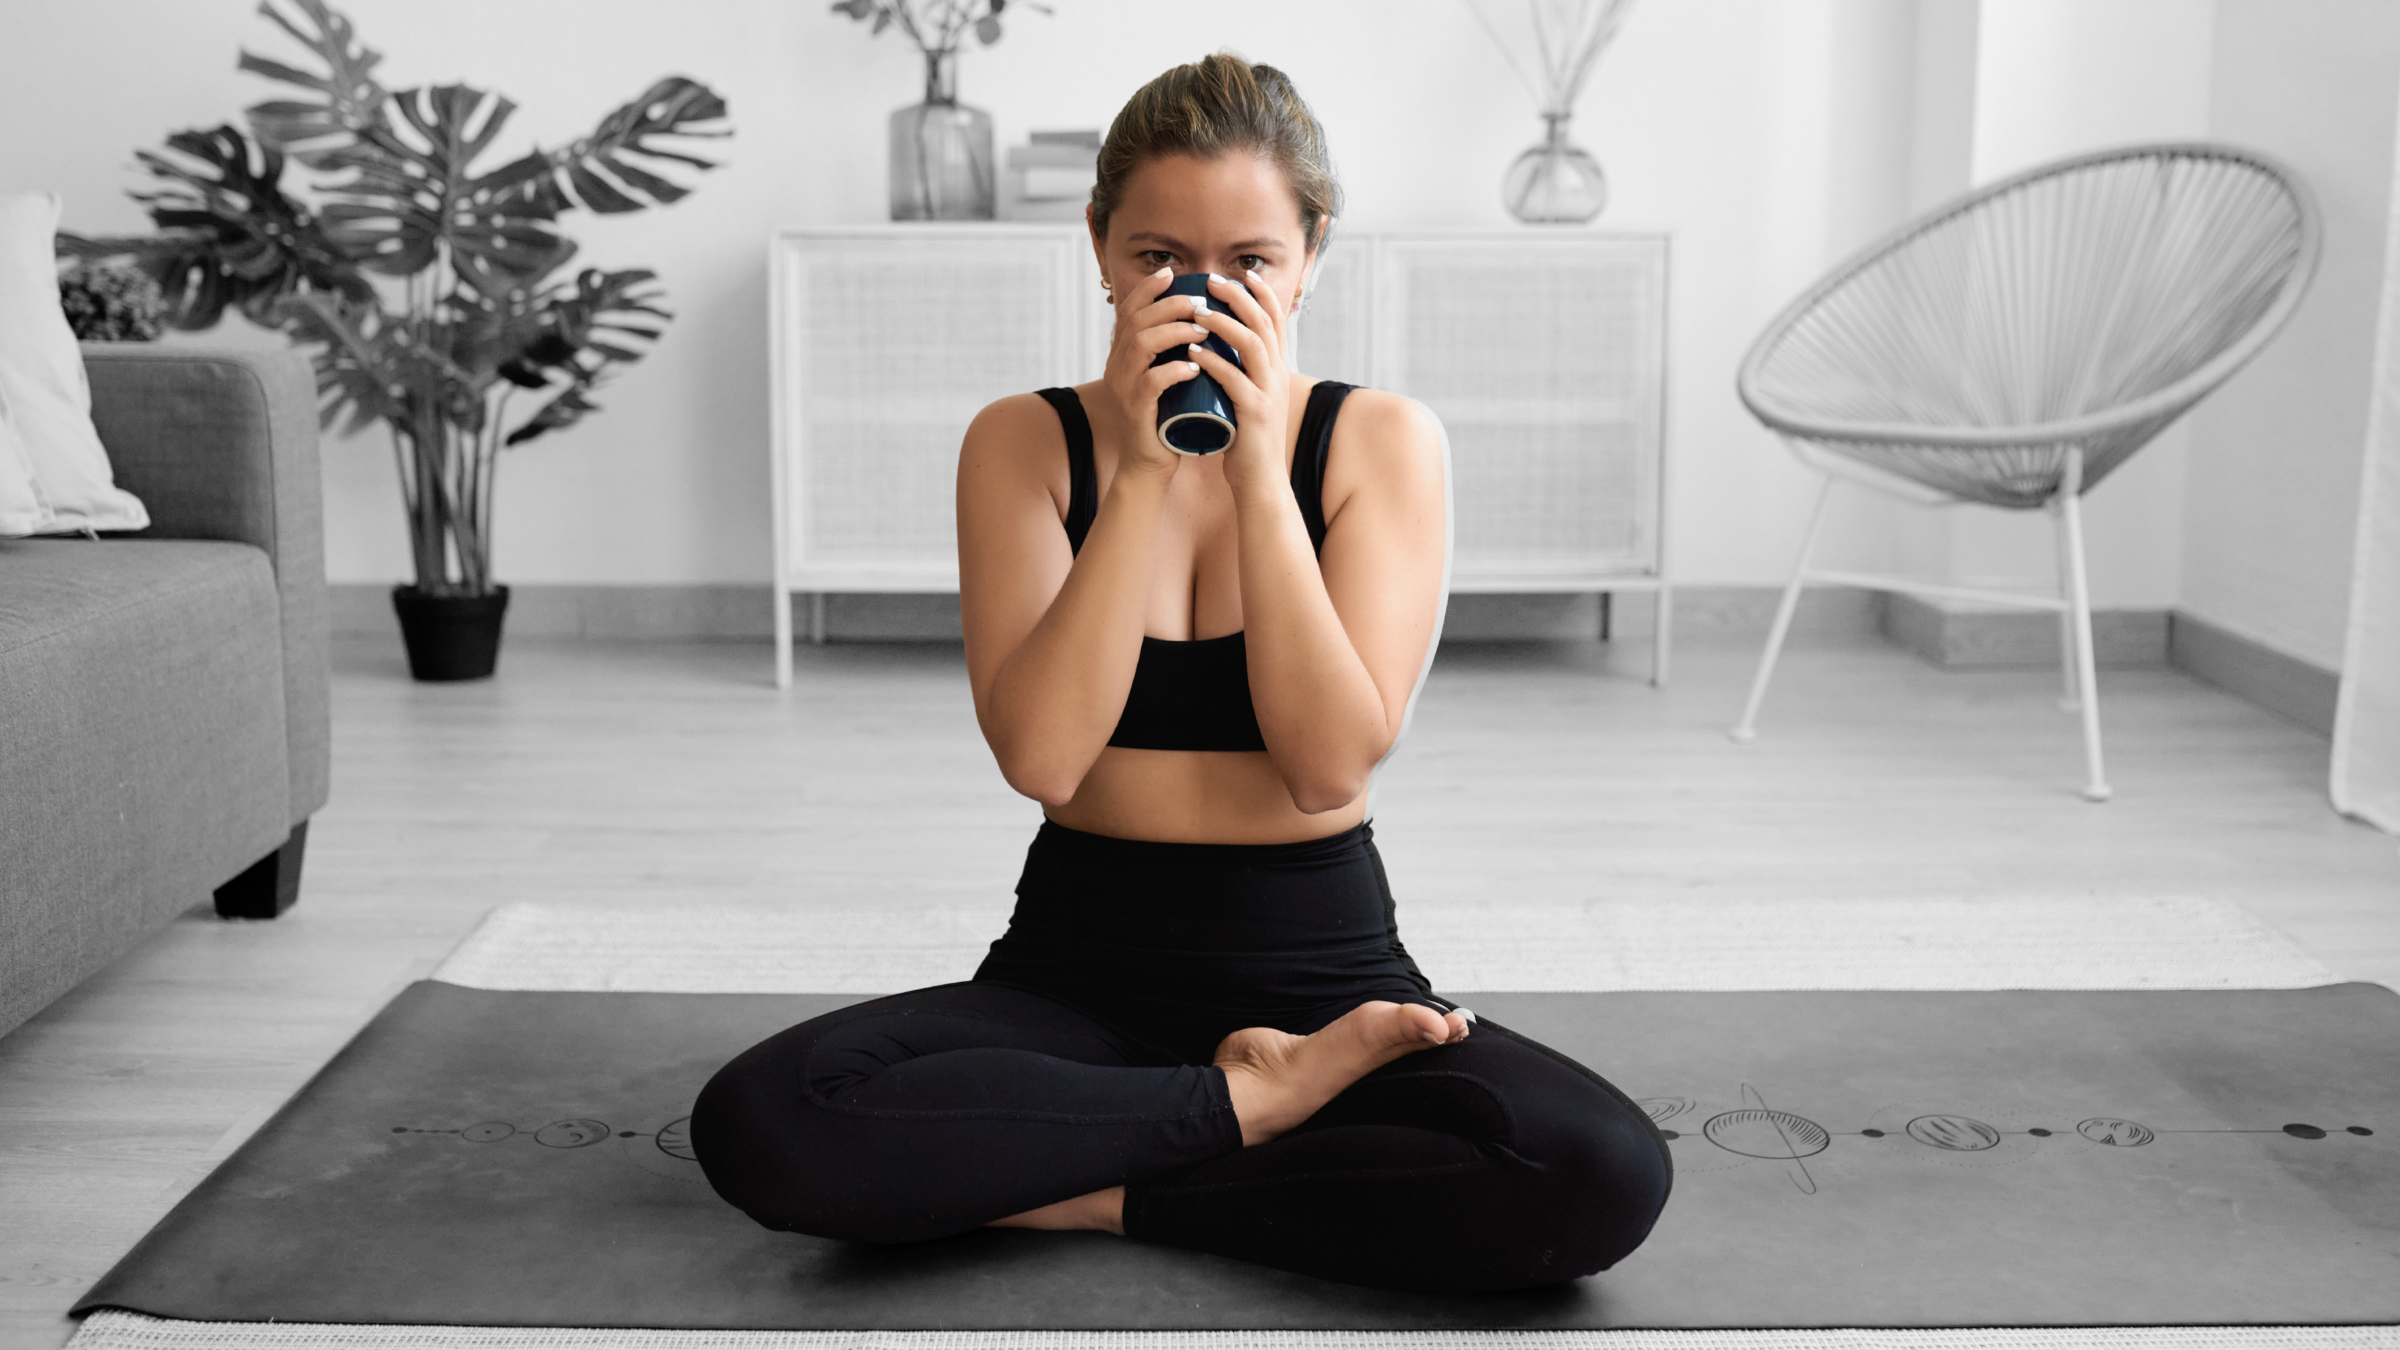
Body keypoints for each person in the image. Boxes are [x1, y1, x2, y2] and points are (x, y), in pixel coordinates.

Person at [691, 53, 1670, 1293]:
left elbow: (1324, 771)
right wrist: (1149, 473)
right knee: (765, 1121)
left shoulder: (1379, 442)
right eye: (1161, 258)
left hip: (1323, 974)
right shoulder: (1024, 442)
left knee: (1596, 1173)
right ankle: (1242, 1114)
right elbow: (1043, 760)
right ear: (1099, 248)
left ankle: (1085, 1188)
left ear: (1312, 257)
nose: (1204, 295)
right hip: (1070, 972)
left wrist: (1260, 478)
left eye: (1251, 262)